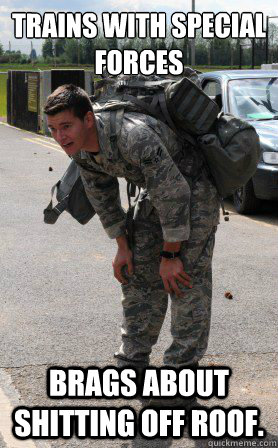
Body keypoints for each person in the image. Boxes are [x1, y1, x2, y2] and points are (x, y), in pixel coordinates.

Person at [44, 83, 220, 407]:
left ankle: (182, 377)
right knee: (137, 275)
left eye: (66, 126)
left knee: (183, 282)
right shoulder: (80, 149)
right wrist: (122, 247)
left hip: (194, 192)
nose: (60, 136)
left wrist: (170, 254)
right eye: (53, 129)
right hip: (157, 194)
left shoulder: (131, 135)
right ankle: (133, 362)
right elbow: (103, 197)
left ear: (87, 120)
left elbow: (176, 193)